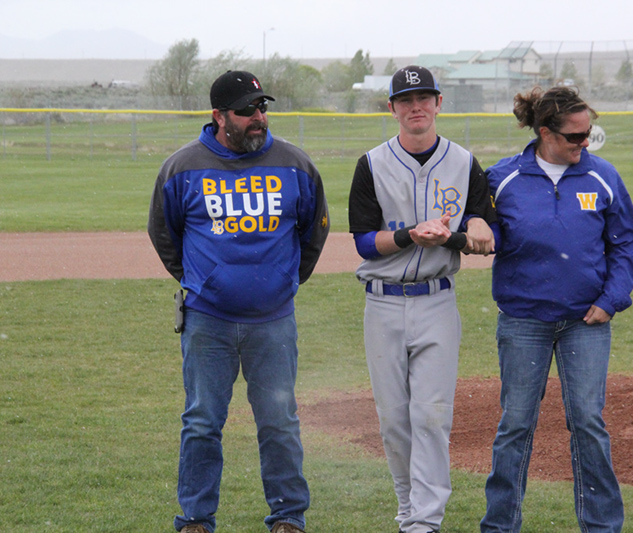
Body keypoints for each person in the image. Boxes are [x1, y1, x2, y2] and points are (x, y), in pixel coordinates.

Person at [148, 70, 329, 533]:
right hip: (207, 321)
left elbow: (315, 229)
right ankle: (195, 518)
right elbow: (164, 232)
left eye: (261, 108)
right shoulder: (182, 167)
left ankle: (288, 516)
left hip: (273, 322)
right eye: (246, 110)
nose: (258, 117)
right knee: (202, 421)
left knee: (279, 421)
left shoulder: (294, 164)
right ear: (219, 116)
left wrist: (286, 280)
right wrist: (201, 281)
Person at [480, 86, 633, 533]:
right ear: (545, 132)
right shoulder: (502, 178)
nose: (584, 143)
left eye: (588, 133)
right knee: (515, 425)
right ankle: (499, 526)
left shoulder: (602, 176)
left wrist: (611, 300)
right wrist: (477, 228)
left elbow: (627, 244)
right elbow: (480, 226)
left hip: (584, 323)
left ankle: (601, 527)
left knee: (588, 423)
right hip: (523, 321)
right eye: (575, 136)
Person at [348, 65, 496, 533]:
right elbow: (365, 243)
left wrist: (466, 232)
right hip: (383, 303)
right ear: (392, 108)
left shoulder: (464, 162)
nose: (417, 107)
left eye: (424, 98)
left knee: (431, 417)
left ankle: (423, 523)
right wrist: (410, 235)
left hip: (437, 302)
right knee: (394, 420)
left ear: (438, 103)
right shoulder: (372, 164)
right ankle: (407, 507)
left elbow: (485, 230)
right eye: (406, 100)